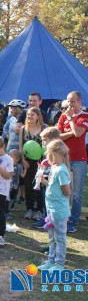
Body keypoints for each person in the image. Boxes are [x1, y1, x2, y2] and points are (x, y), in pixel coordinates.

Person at [37, 140, 71, 272]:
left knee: (60, 238)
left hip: (59, 212)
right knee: (52, 237)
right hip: (51, 210)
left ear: (55, 154)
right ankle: (51, 260)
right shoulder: (55, 168)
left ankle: (59, 264)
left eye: (48, 153)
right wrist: (42, 180)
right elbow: (52, 186)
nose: (46, 156)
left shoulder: (62, 170)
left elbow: (66, 191)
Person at [57, 91, 88, 233]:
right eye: (68, 101)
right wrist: (70, 131)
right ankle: (64, 217)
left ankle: (73, 221)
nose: (69, 104)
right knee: (64, 190)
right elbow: (58, 137)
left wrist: (70, 120)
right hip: (63, 158)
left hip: (79, 159)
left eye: (72, 101)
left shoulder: (84, 116)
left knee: (76, 192)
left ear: (80, 101)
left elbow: (79, 133)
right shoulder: (63, 116)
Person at [19, 107, 46, 221]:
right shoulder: (23, 128)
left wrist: (45, 162)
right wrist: (23, 160)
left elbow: (47, 145)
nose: (29, 117)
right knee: (28, 185)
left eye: (32, 115)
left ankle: (39, 210)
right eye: (28, 115)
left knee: (39, 185)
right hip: (27, 161)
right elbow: (21, 146)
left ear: (38, 116)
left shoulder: (44, 128)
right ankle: (29, 208)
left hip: (41, 161)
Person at [32, 127, 60, 231]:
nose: (42, 142)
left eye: (45, 140)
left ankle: (50, 220)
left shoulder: (58, 154)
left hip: (53, 183)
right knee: (45, 201)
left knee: (51, 203)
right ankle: (45, 219)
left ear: (52, 140)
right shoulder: (45, 152)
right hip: (45, 181)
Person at [7, 149, 26, 215]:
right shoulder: (7, 165)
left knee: (12, 198)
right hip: (8, 185)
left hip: (15, 186)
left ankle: (9, 208)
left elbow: (22, 175)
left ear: (17, 159)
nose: (8, 158)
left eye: (11, 157)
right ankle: (7, 211)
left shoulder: (19, 166)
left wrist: (26, 169)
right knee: (7, 198)